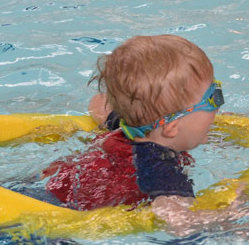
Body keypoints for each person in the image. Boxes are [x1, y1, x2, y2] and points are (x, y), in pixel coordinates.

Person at [42, 34, 224, 220]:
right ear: (172, 128)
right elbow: (178, 222)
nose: (219, 108)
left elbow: (97, 103)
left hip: (50, 190)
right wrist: (233, 216)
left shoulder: (124, 125)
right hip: (61, 219)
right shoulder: (160, 168)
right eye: (214, 98)